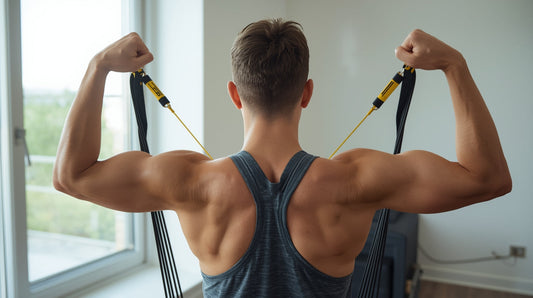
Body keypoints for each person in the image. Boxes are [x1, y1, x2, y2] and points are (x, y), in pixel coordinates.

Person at [53, 19, 511, 297]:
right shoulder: (356, 179)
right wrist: (454, 65)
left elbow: (70, 176)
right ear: (306, 92)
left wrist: (99, 66)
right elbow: (487, 178)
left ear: (235, 94)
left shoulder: (189, 179)